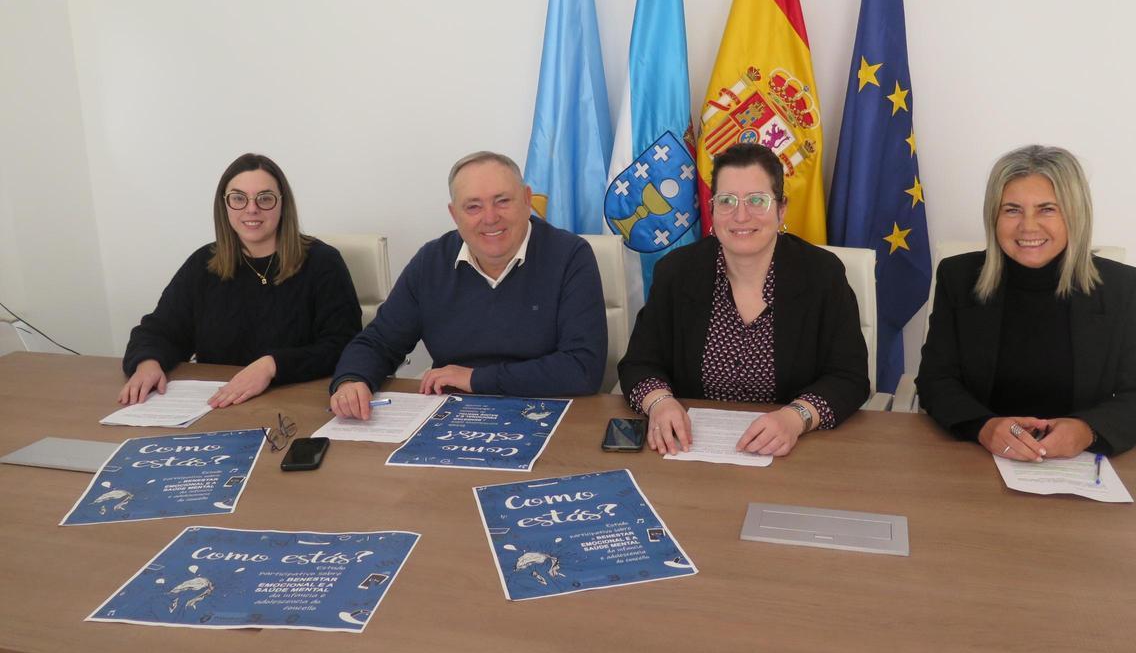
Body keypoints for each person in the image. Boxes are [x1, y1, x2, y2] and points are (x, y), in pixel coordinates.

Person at [916, 144, 1136, 459]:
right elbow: (935, 380)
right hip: (979, 458)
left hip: (1080, 462)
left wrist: (1087, 431)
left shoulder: (1119, 287)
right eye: (1012, 210)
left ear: (1075, 215)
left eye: (1047, 209)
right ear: (993, 215)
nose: (1028, 226)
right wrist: (983, 426)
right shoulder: (958, 278)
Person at [618, 143, 870, 457]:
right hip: (692, 452)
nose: (740, 215)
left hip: (794, 454)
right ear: (712, 209)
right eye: (726, 201)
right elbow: (639, 363)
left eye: (757, 201)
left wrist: (797, 417)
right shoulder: (677, 272)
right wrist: (659, 402)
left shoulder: (821, 274)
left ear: (781, 209)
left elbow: (850, 377)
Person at [329, 151, 606, 418]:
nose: (489, 217)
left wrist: (475, 378)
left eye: (502, 201)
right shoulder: (431, 261)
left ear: (526, 199)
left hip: (549, 412)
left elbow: (582, 368)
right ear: (454, 214)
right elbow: (379, 342)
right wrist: (353, 379)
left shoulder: (569, 256)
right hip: (453, 416)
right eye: (473, 206)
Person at [120, 153, 362, 408]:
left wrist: (272, 366)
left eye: (265, 198)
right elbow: (159, 331)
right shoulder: (203, 264)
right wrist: (148, 363)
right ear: (224, 205)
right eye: (238, 198)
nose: (251, 208)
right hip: (220, 406)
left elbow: (344, 345)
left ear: (283, 204)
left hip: (296, 405)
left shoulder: (322, 262)